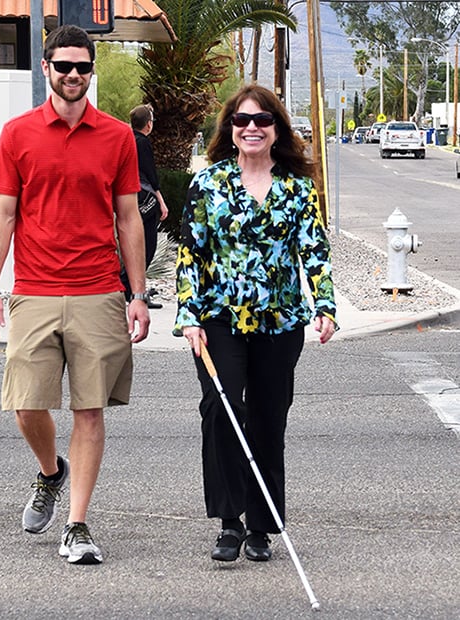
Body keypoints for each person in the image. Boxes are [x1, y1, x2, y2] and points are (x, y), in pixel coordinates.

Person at [0, 24, 150, 565]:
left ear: (91, 71)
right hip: (33, 289)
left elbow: (129, 217)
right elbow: (3, 215)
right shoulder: (17, 134)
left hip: (100, 291)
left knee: (90, 411)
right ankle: (51, 472)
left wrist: (138, 294)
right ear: (47, 68)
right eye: (63, 66)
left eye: (82, 66)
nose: (73, 75)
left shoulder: (118, 136)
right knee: (26, 404)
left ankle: (77, 525)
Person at [174, 84, 337, 563]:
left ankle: (262, 525)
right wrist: (188, 314)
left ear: (276, 129)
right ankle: (229, 522)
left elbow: (314, 251)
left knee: (268, 419)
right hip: (218, 319)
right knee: (222, 411)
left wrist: (325, 305)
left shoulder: (297, 188)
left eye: (262, 120)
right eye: (242, 120)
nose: (251, 128)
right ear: (230, 128)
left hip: (279, 323)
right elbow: (191, 253)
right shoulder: (208, 183)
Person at [121, 103, 169, 309]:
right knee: (147, 245)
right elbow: (150, 174)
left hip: (129, 197)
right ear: (148, 125)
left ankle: (129, 286)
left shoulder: (125, 140)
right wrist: (160, 199)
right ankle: (130, 287)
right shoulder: (143, 143)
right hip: (144, 197)